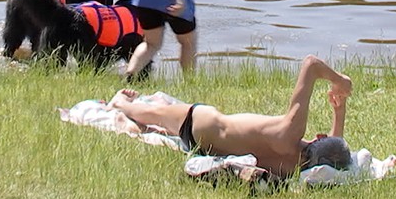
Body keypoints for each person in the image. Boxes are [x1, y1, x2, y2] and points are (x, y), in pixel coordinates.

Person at [107, 54, 354, 178]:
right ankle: (140, 109)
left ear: (319, 136)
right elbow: (332, 154)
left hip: (203, 123)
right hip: (206, 145)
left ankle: (120, 103)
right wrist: (338, 113)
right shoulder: (294, 170)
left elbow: (311, 64)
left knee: (149, 113)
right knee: (160, 122)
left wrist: (340, 81)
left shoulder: (289, 132)